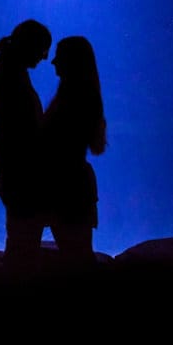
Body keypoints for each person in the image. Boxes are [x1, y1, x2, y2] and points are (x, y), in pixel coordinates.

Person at [0, 19, 52, 275]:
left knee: (21, 241)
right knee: (24, 247)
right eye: (43, 48)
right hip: (21, 174)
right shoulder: (11, 77)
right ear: (30, 45)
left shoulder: (9, 72)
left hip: (16, 172)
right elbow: (13, 127)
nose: (45, 57)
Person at [41, 36, 107, 272]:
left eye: (59, 55)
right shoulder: (83, 95)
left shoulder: (71, 99)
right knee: (79, 258)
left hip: (67, 188)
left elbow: (52, 144)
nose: (53, 61)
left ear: (72, 60)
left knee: (76, 261)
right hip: (76, 185)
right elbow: (97, 145)